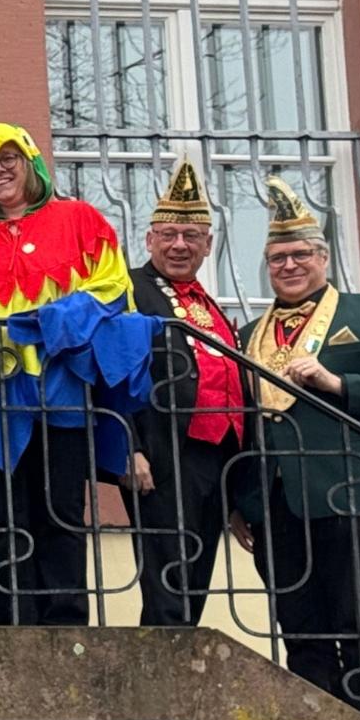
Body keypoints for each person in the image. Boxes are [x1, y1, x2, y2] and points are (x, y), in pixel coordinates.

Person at [0, 123, 150, 626]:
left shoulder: (81, 219)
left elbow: (115, 289)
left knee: (61, 515)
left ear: (32, 163)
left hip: (61, 395)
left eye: (9, 157)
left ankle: (65, 627)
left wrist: (58, 320)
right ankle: (12, 628)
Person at [232, 176, 360, 720]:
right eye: (277, 259)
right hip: (276, 504)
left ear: (322, 256)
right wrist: (241, 501)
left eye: (299, 255)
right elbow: (244, 422)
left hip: (350, 493)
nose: (289, 266)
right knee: (300, 630)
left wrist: (339, 385)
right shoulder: (249, 333)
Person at [123, 157, 246, 627]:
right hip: (162, 453)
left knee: (195, 578)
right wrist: (128, 449)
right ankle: (164, 678)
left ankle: (180, 661)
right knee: (166, 580)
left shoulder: (208, 302)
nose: (179, 245)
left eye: (191, 236)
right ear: (149, 239)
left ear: (208, 244)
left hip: (214, 459)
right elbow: (113, 375)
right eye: (169, 234)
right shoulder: (131, 289)